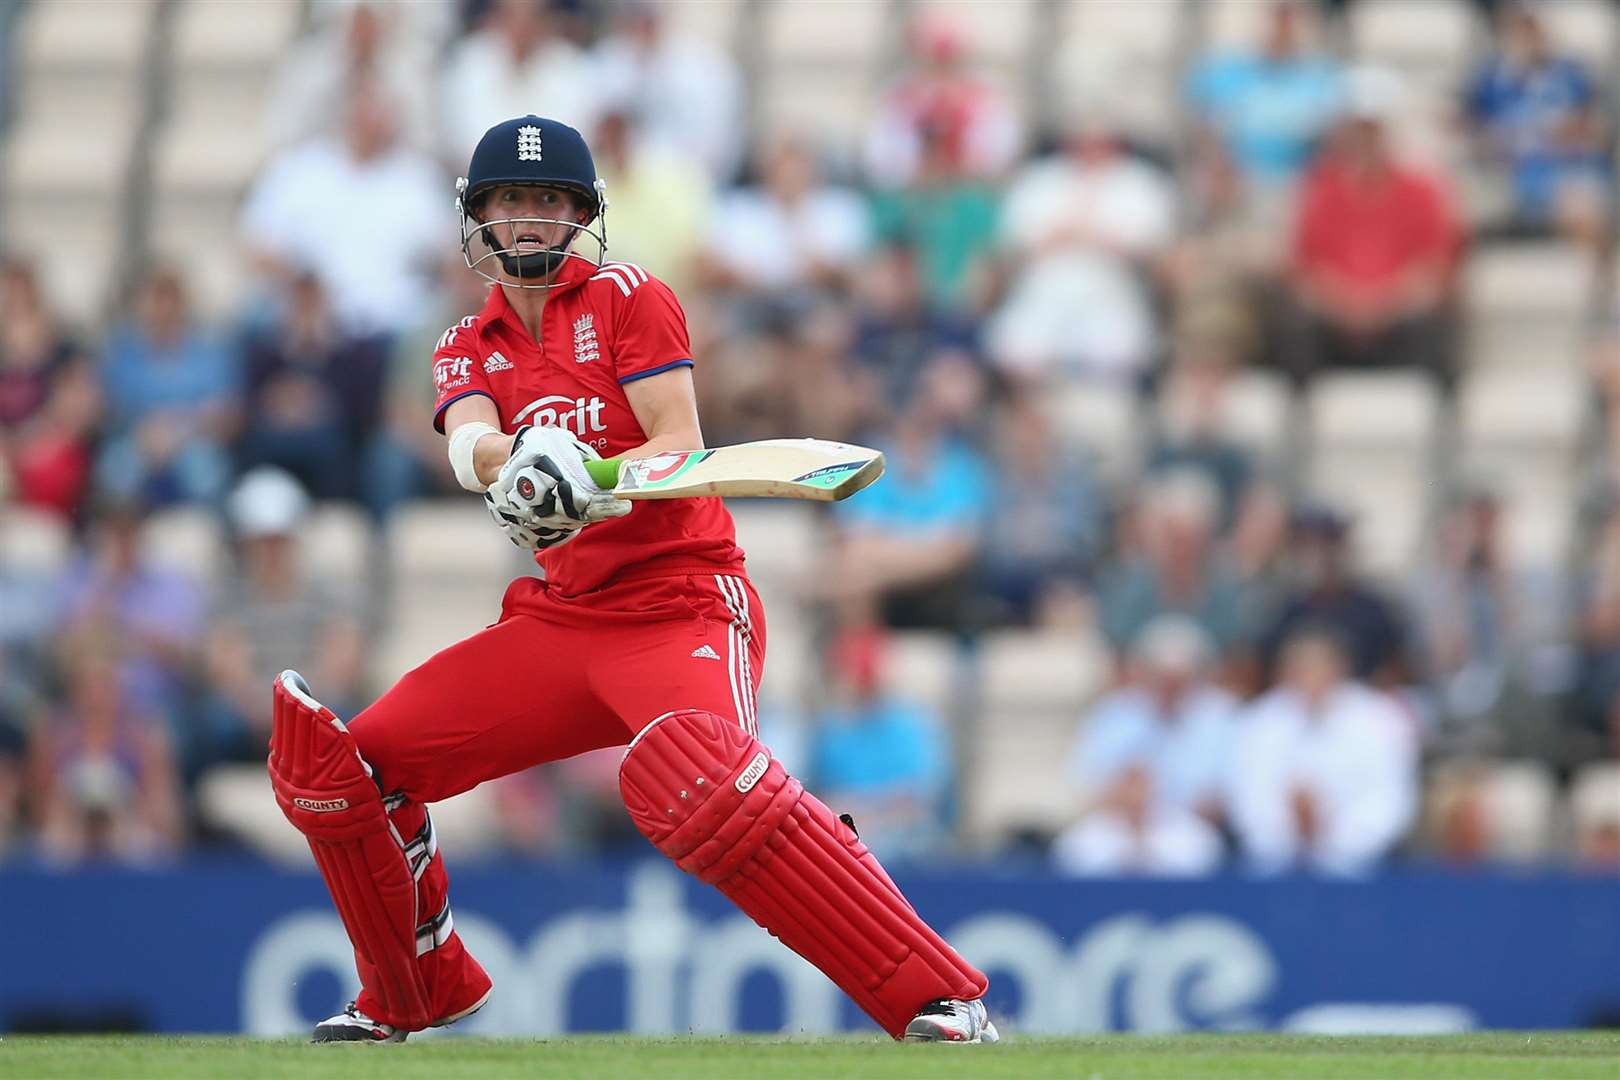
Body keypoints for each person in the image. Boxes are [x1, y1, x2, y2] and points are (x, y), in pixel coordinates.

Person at [267, 116, 995, 1045]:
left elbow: (677, 445)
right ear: (478, 216)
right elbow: (468, 445)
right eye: (510, 202)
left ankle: (941, 998)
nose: (529, 220)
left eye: (549, 202)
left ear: (581, 216)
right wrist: (522, 456)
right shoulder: (465, 338)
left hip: (682, 598)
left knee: (713, 784)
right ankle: (410, 990)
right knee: (348, 770)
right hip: (562, 618)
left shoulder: (629, 298)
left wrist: (590, 477)